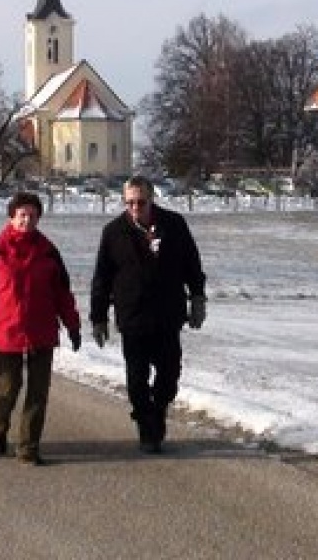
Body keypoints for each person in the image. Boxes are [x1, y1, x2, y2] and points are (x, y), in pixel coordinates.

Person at [90, 174, 207, 453]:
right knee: (136, 378)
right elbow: (102, 278)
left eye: (140, 202)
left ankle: (159, 407)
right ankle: (147, 427)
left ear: (151, 199)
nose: (135, 208)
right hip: (132, 317)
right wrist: (98, 317)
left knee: (169, 373)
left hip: (168, 314)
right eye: (129, 202)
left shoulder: (174, 225)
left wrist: (198, 298)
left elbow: (192, 264)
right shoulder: (113, 232)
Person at [0, 192, 82, 465]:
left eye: (32, 215)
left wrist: (73, 325)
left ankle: (28, 446)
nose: (26, 220)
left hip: (42, 330)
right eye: (22, 215)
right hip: (7, 331)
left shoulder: (49, 252)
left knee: (38, 391)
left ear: (38, 218)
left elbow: (63, 293)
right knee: (9, 385)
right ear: (12, 218)